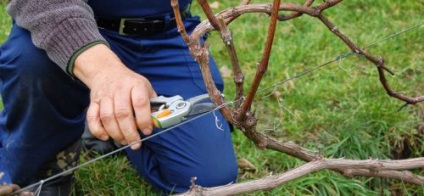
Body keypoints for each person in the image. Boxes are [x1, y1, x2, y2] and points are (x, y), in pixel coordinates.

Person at [0, 0, 238, 195]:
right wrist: (104, 71)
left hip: (168, 37)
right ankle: (45, 171)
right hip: (69, 27)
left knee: (210, 181)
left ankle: (108, 124)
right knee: (32, 64)